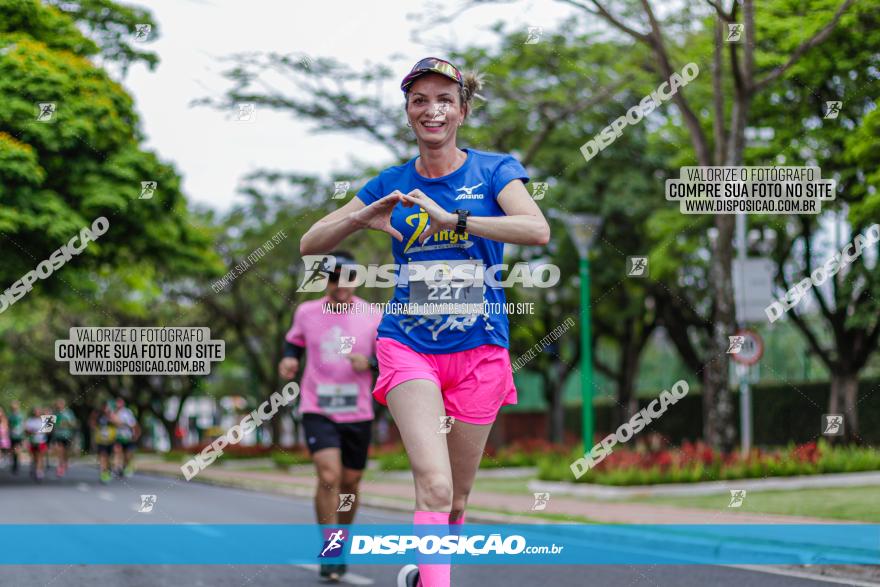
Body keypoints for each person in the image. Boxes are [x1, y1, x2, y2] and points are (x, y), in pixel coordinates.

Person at [299, 57, 550, 587]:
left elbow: (536, 229)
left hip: (481, 350)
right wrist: (358, 217)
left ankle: (430, 567)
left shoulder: (494, 170)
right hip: (409, 346)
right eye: (419, 100)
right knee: (433, 486)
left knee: (456, 500)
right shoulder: (392, 182)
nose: (431, 110)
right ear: (409, 111)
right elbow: (309, 243)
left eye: (443, 100)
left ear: (461, 110)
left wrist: (454, 219)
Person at [278, 251, 382, 583]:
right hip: (317, 406)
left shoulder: (373, 314)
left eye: (348, 277)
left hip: (358, 411)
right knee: (328, 474)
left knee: (350, 482)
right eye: (334, 277)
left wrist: (371, 364)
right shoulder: (307, 312)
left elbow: (391, 358)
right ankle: (330, 546)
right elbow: (292, 343)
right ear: (325, 279)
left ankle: (341, 542)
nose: (341, 285)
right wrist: (289, 361)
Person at [112, 398, 139, 478]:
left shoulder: (127, 413)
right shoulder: (113, 412)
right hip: (117, 436)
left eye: (120, 403)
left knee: (127, 455)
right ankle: (117, 468)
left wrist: (135, 434)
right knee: (117, 452)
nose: (118, 405)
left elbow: (132, 424)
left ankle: (125, 467)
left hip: (127, 437)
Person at [90, 402, 117, 483]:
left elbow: (118, 423)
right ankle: (103, 472)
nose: (105, 409)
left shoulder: (112, 415)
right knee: (102, 456)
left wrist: (110, 417)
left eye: (107, 407)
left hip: (110, 440)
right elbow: (92, 424)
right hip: (101, 440)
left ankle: (108, 470)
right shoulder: (98, 416)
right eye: (104, 407)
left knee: (109, 457)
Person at [50, 399, 78, 477]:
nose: (59, 405)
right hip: (57, 435)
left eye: (61, 404)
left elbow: (73, 423)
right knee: (59, 450)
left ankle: (65, 461)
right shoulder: (55, 413)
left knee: (65, 451)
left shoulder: (69, 413)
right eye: (58, 404)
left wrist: (67, 423)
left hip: (67, 434)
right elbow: (51, 424)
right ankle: (60, 466)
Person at [24, 407, 50, 481]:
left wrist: (41, 432)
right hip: (32, 441)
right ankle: (35, 468)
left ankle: (39, 472)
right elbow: (26, 430)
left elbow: (48, 431)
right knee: (35, 457)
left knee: (40, 456)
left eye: (38, 411)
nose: (37, 413)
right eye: (35, 411)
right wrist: (31, 432)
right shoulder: (30, 420)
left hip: (42, 441)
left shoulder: (44, 420)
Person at [8, 400, 24, 474]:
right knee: (12, 450)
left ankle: (17, 463)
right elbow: (8, 425)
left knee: (17, 449)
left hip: (19, 436)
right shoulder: (10, 416)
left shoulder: (20, 415)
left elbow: (23, 425)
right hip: (12, 436)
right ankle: (14, 462)